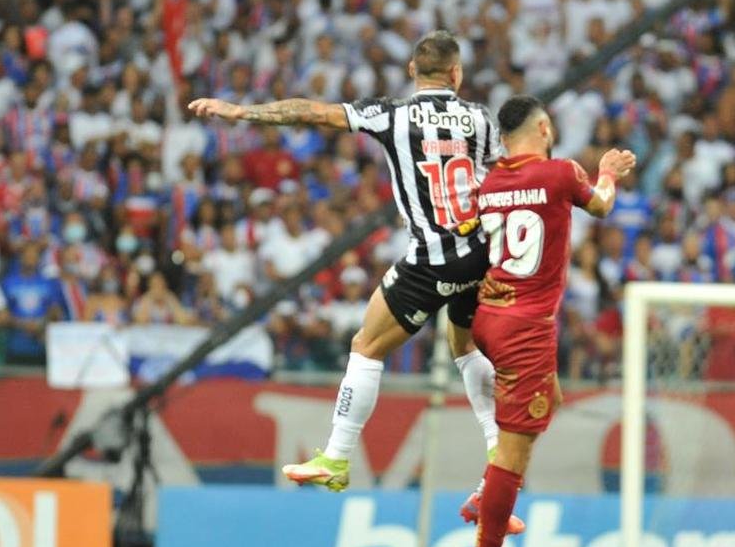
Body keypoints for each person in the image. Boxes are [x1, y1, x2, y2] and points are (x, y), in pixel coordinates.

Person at [187, 31, 509, 518]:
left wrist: (241, 112)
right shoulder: (482, 120)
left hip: (433, 257)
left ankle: (336, 457)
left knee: (367, 345)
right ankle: (499, 456)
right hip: (481, 251)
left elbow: (312, 111)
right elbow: (508, 178)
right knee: (463, 347)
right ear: (457, 74)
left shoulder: (394, 114)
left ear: (411, 71)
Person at [453, 95, 635, 547]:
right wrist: (607, 172)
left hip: (486, 314)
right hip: (526, 328)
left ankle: (489, 495)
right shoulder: (560, 174)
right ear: (544, 127)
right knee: (515, 454)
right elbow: (601, 205)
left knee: (546, 400)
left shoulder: (485, 186)